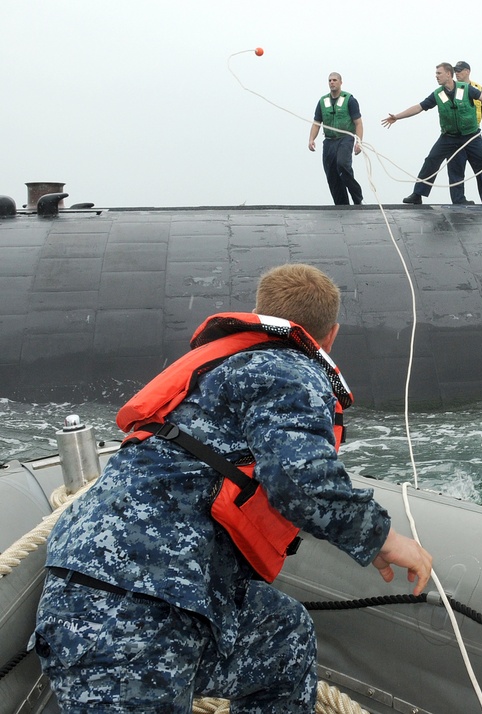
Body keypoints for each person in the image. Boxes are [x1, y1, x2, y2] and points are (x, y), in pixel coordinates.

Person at [33, 263, 433, 712]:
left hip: (170, 594)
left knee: (284, 636)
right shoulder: (290, 370)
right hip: (128, 607)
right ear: (331, 335)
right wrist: (383, 538)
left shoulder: (222, 366)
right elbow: (300, 479)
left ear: (261, 314)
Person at [382, 63, 482, 206]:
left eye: (439, 73)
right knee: (431, 160)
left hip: (470, 136)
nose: (436, 76)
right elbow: (419, 107)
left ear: (448, 74)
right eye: (436, 73)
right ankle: (418, 194)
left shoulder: (466, 89)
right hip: (449, 137)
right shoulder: (438, 94)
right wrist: (397, 116)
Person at [308, 72, 364, 205]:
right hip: (329, 141)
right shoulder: (322, 101)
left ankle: (357, 198)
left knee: (342, 165)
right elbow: (316, 123)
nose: (332, 82)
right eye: (329, 80)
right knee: (332, 173)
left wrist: (359, 142)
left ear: (340, 82)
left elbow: (358, 123)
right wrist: (311, 139)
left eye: (334, 80)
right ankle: (341, 204)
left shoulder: (349, 100)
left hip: (345, 138)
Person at [447, 61, 482, 205]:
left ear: (468, 71)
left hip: (474, 133)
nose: (457, 73)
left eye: (460, 71)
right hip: (456, 135)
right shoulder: (452, 88)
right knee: (456, 168)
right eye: (456, 71)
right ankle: (458, 199)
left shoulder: (478, 88)